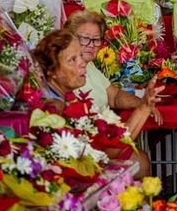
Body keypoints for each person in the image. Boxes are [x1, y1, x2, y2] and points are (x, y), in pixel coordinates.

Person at [32, 28, 153, 176]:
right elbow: (110, 151)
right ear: (52, 72)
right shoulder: (55, 108)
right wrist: (144, 108)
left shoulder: (65, 98)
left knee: (139, 160)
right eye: (72, 60)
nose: (82, 63)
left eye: (80, 56)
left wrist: (145, 107)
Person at [65, 11, 160, 116]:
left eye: (96, 39)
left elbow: (115, 96)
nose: (91, 45)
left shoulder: (90, 65)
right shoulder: (63, 69)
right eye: (85, 38)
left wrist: (143, 103)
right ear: (69, 38)